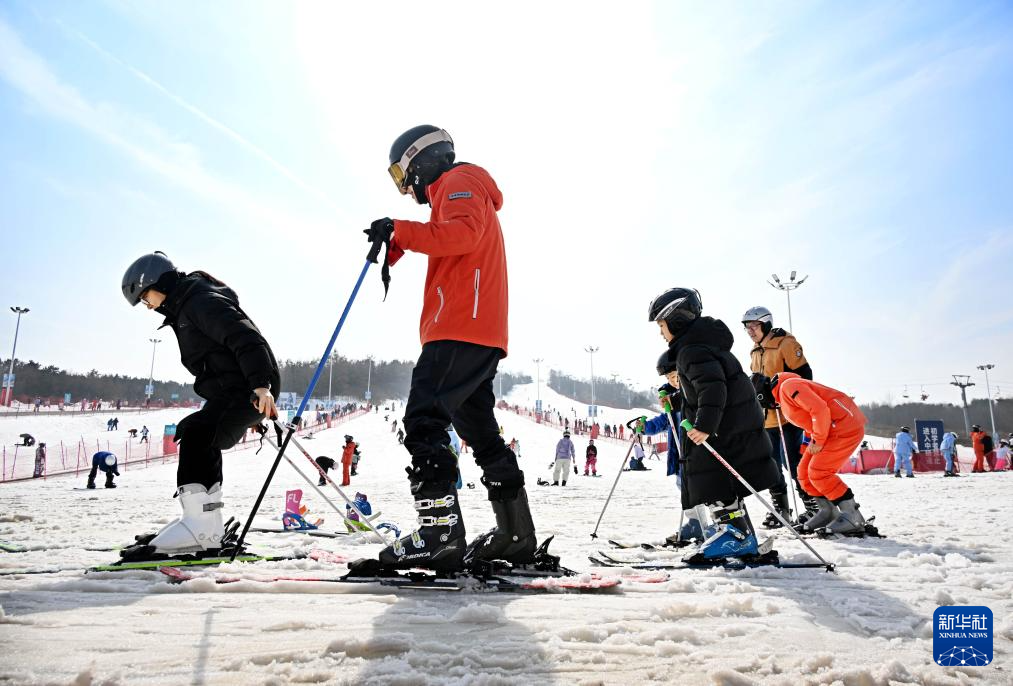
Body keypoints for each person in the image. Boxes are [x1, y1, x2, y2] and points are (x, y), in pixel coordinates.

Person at [351, 125, 534, 574]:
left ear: (421, 160)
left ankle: (438, 535)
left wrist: (402, 230)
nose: (404, 184)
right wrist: (397, 242)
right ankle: (515, 534)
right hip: (476, 330)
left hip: (459, 327)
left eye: (402, 172)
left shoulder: (459, 180)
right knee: (480, 432)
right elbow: (449, 238)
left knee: (422, 421)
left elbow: (463, 235)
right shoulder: (454, 192)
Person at [120, 251, 279, 559]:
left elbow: (246, 338)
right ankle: (203, 523)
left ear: (157, 282)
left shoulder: (200, 302)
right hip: (235, 391)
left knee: (197, 433)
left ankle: (202, 527)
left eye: (145, 297)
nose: (147, 305)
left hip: (246, 387)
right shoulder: (187, 303)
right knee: (199, 433)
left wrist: (261, 387)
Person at [649, 287, 778, 561]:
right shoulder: (700, 345)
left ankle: (736, 536)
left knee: (714, 480)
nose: (661, 332)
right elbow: (702, 387)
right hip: (732, 425)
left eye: (662, 325)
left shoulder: (691, 351)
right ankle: (741, 535)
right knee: (723, 482)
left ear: (677, 320)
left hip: (723, 428)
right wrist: (678, 399)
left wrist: (705, 425)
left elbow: (712, 388)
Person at [753, 372, 872, 535]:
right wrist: (807, 445)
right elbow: (811, 421)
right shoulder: (784, 393)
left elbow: (819, 409)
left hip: (844, 427)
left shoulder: (789, 387)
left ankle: (853, 516)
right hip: (830, 430)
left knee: (819, 472)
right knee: (803, 472)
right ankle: (827, 511)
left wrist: (818, 440)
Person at [741, 306, 813, 529]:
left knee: (795, 464)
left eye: (754, 326)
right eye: (747, 327)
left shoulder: (785, 343)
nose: (750, 331)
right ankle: (781, 510)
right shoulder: (755, 351)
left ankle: (814, 507)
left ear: (766, 324)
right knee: (771, 466)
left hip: (788, 417)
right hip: (765, 419)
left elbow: (804, 377)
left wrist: (782, 395)